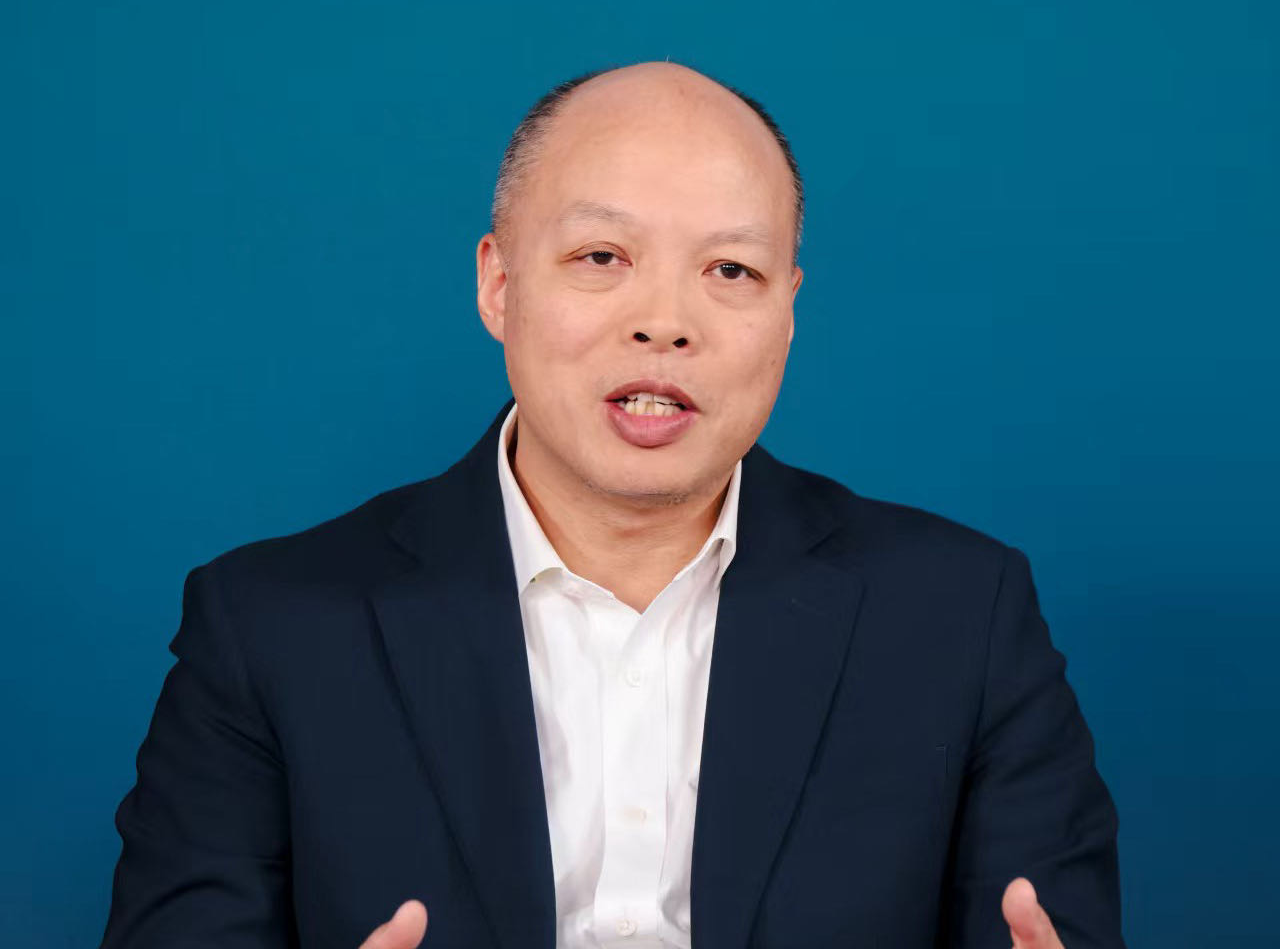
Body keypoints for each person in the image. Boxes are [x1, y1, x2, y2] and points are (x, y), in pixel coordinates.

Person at [100, 62, 1125, 949]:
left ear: (787, 312)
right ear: (499, 285)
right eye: (602, 258)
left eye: (730, 269)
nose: (664, 322)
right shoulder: (271, 627)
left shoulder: (961, 615)